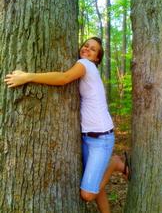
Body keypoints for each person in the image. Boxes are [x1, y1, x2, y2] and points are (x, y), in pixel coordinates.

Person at [4, 37, 129, 213]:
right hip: (87, 137)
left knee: (88, 194)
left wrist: (28, 77)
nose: (87, 49)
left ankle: (115, 163)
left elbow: (63, 78)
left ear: (96, 58)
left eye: (93, 49)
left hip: (101, 138)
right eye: (86, 45)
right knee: (95, 187)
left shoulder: (85, 64)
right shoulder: (87, 68)